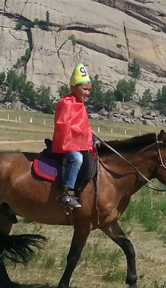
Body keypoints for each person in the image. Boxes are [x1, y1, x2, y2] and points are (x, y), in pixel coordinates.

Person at [52, 64, 94, 209]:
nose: (87, 93)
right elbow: (63, 125)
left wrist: (89, 135)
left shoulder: (80, 104)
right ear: (73, 87)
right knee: (77, 159)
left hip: (78, 141)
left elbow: (82, 125)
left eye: (89, 90)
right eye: (84, 89)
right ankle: (67, 192)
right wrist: (81, 134)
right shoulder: (66, 103)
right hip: (67, 142)